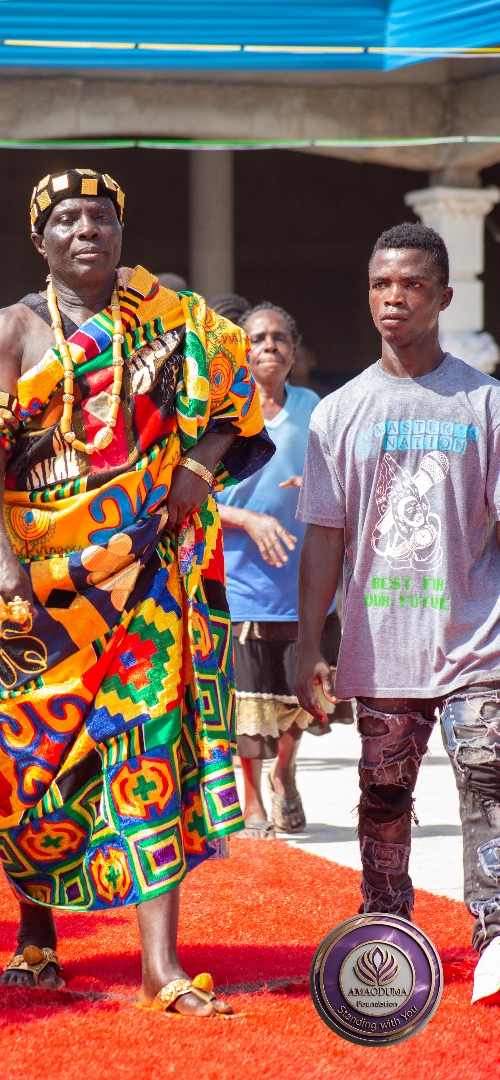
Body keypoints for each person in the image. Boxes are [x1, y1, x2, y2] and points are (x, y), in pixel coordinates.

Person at [0, 167, 273, 1016]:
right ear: (39, 238)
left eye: (101, 218)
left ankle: (160, 965)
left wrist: (198, 469)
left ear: (121, 232)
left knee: (147, 744)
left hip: (151, 572)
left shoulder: (175, 319)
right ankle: (36, 936)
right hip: (43, 587)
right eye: (67, 219)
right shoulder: (11, 329)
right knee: (32, 767)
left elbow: (237, 404)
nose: (86, 230)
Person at [295, 220, 500, 1005]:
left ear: (443, 297)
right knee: (383, 795)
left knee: (488, 780)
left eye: (413, 284)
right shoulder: (339, 412)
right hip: (382, 645)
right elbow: (324, 535)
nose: (395, 297)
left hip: (477, 638)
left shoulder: (485, 403)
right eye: (383, 283)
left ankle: (495, 935)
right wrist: (307, 642)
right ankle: (386, 929)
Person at [216, 303, 347, 839]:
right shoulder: (222, 413)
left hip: (303, 583)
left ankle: (284, 772)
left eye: (278, 338)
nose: (268, 345)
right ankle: (251, 799)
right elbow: (190, 494)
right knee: (247, 700)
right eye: (257, 338)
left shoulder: (314, 408)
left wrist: (318, 486)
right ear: (241, 350)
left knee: (298, 699)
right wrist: (247, 518)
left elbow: (338, 478)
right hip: (240, 583)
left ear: (295, 351)